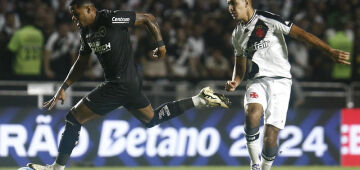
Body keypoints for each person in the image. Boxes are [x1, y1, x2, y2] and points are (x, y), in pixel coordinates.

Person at [27, 0, 230, 170]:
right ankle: (200, 99)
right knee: (152, 119)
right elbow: (81, 62)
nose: (73, 18)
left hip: (119, 84)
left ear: (89, 9)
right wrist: (64, 86)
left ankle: (56, 168)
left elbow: (148, 19)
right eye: (71, 14)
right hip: (128, 84)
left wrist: (161, 44)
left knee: (73, 118)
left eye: (75, 13)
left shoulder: (110, 18)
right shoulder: (86, 33)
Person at [224, 0, 350, 170]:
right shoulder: (237, 33)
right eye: (228, 4)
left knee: (270, 138)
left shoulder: (268, 20)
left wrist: (329, 50)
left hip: (281, 81)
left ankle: (265, 167)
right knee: (252, 113)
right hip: (256, 81)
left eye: (234, 3)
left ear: (246, 2)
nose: (230, 8)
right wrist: (235, 81)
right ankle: (254, 164)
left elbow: (302, 34)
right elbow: (240, 66)